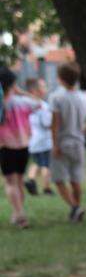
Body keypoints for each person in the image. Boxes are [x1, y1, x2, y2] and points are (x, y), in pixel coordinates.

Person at [49, 62, 86, 223]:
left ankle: (74, 207)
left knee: (59, 179)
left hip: (63, 142)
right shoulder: (83, 97)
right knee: (76, 178)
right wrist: (83, 132)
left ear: (60, 78)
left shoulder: (56, 97)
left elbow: (55, 124)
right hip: (79, 142)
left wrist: (55, 145)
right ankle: (76, 210)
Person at [0, 67, 37, 229]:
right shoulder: (22, 102)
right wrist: (22, 92)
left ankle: (19, 214)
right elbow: (40, 104)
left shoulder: (2, 105)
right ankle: (18, 213)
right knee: (20, 181)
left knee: (11, 183)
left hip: (5, 147)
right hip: (23, 147)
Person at [24, 77, 54, 197]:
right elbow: (47, 123)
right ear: (35, 90)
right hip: (44, 140)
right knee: (46, 165)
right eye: (43, 87)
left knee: (36, 162)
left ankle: (31, 180)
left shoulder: (26, 104)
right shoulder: (43, 106)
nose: (46, 89)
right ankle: (47, 188)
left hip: (33, 141)